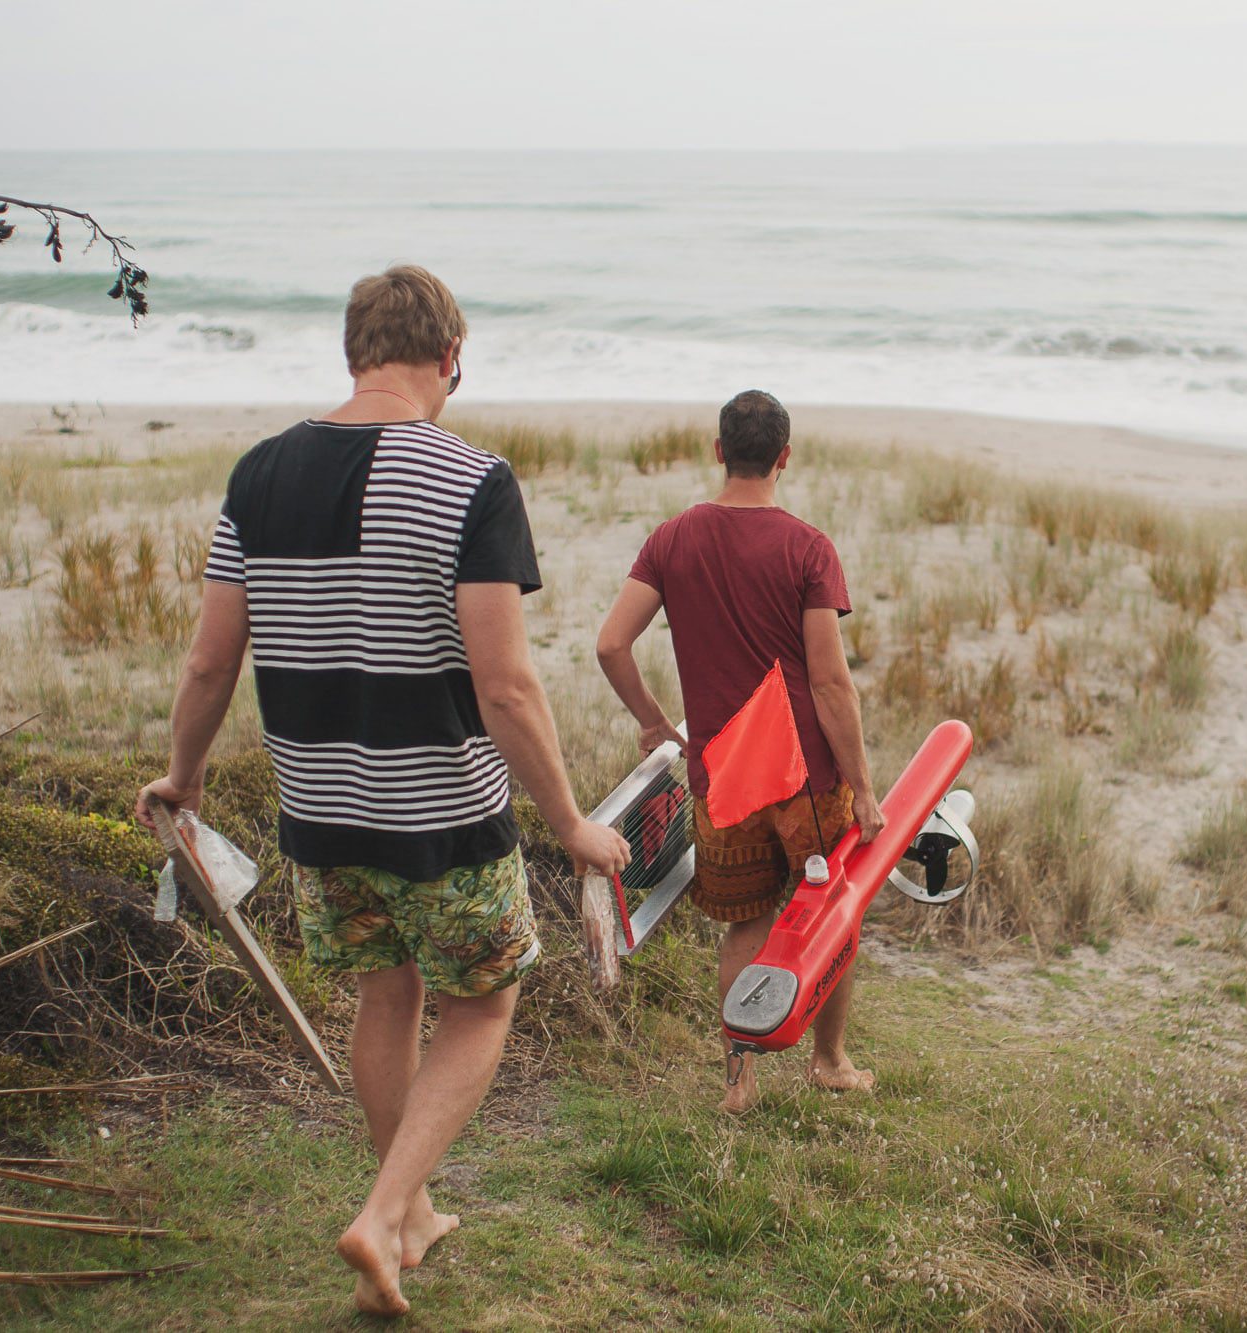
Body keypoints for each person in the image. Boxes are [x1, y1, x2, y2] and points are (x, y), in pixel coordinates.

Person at [136, 265, 628, 1318]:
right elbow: (505, 685)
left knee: (384, 996)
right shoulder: (473, 478)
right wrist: (570, 822)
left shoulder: (258, 474)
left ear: (354, 353)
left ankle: (408, 1220)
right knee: (482, 1006)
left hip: (319, 811)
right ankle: (383, 1209)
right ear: (449, 357)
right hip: (444, 814)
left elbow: (210, 661)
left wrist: (182, 775)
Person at [596, 389, 885, 1115]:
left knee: (744, 926)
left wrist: (654, 721)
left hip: (722, 781)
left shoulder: (671, 540)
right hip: (806, 780)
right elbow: (830, 682)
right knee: (831, 913)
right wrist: (864, 788)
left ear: (719, 451)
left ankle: (738, 1085)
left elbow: (610, 644)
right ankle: (829, 1061)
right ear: (784, 457)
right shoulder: (808, 548)